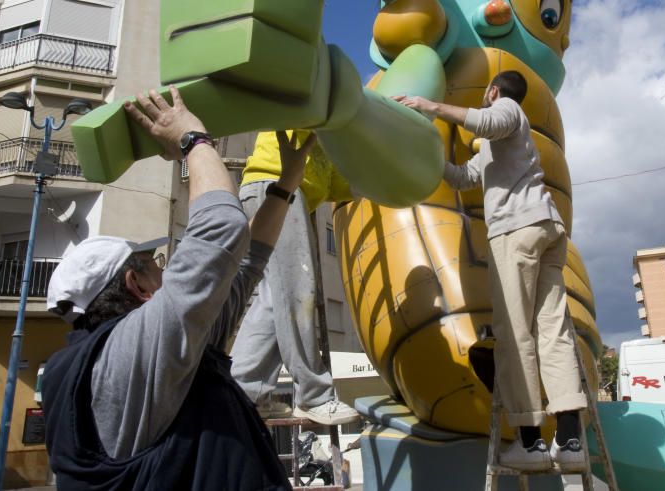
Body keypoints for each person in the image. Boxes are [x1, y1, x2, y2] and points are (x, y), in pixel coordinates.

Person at [42, 85, 315, 490]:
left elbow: (246, 264)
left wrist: (284, 185)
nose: (165, 267)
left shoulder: (169, 352)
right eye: (155, 265)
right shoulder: (128, 352)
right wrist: (191, 140)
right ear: (136, 284)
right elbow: (221, 227)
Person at [395, 71, 587, 471]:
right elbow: (465, 177)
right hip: (546, 229)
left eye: (487, 94)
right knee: (552, 331)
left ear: (494, 91)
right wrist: (430, 157)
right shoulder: (498, 147)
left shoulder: (508, 111)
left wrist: (431, 106)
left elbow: (490, 121)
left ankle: (532, 444)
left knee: (514, 335)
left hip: (517, 231)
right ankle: (570, 441)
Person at [232, 131, 359, 425]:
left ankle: (245, 393)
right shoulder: (313, 110)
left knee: (274, 299)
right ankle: (314, 396)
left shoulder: (330, 141)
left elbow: (338, 184)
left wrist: (376, 184)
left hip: (272, 189)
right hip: (276, 185)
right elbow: (302, 99)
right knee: (296, 291)